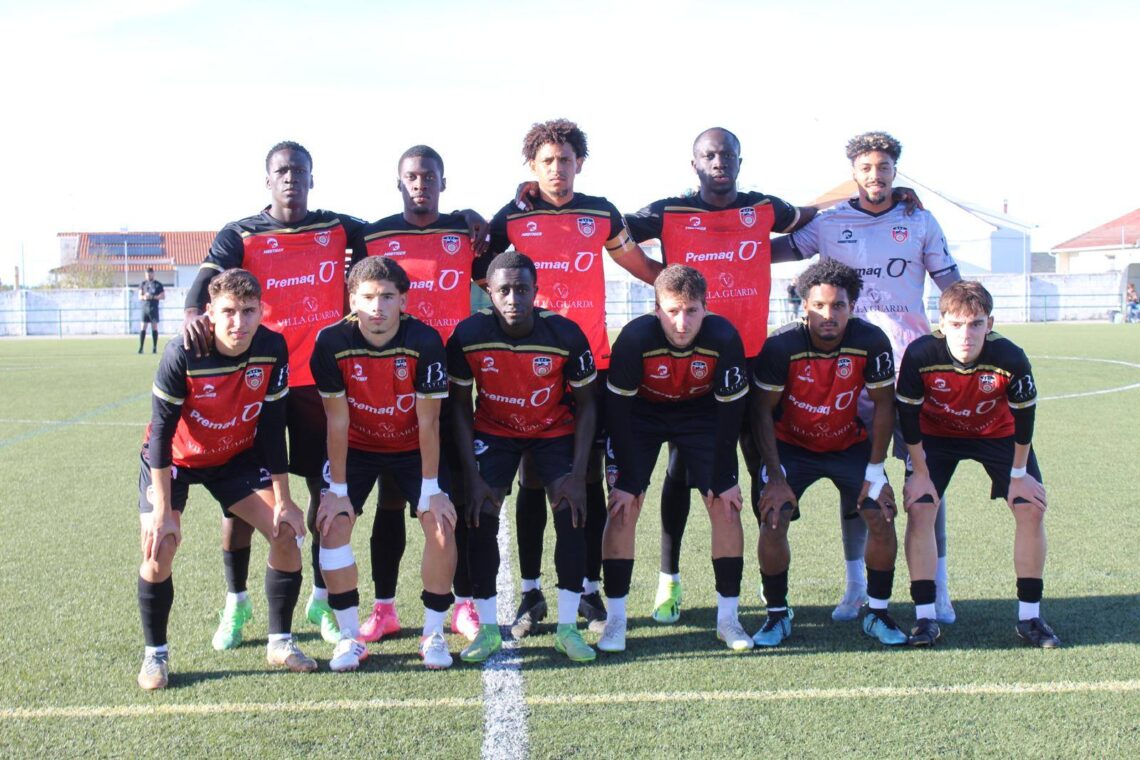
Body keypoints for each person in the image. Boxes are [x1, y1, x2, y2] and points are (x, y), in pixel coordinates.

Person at [620, 127, 814, 625]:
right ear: (695, 165)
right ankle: (669, 581)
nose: (719, 162)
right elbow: (607, 229)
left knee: (760, 471)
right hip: (692, 359)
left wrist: (873, 199)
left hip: (751, 360)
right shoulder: (668, 211)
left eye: (727, 154)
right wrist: (661, 280)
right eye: (709, 155)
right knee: (680, 473)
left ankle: (771, 594)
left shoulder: (764, 208)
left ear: (740, 161)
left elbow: (810, 217)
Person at [480, 119, 659, 639]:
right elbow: (481, 274)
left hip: (592, 368)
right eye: (547, 161)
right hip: (529, 366)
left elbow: (640, 266)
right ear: (532, 167)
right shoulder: (512, 217)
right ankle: (532, 590)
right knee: (533, 478)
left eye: (565, 159)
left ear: (580, 162)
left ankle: (587, 588)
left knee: (587, 479)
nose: (557, 169)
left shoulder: (601, 213)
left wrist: (685, 286)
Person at [773, 131, 962, 625]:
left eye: (884, 167)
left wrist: (971, 329)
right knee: (856, 479)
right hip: (851, 372)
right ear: (853, 172)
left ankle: (938, 588)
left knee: (925, 480)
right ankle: (856, 586)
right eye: (866, 168)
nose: (875, 175)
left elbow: (952, 287)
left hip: (912, 369)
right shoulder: (829, 223)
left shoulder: (919, 220)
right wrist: (721, 242)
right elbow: (772, 250)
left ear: (896, 170)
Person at [183, 141, 365, 650]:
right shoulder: (240, 233)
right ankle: (236, 601)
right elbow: (203, 287)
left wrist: (467, 218)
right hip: (256, 386)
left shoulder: (338, 228)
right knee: (240, 504)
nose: (291, 178)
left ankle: (323, 600)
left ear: (312, 178)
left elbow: (400, 229)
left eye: (299, 170)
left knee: (325, 493)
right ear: (268, 180)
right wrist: (193, 320)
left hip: (317, 387)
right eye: (282, 171)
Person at [136, 269, 313, 690]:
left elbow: (273, 427)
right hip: (177, 459)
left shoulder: (272, 347)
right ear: (210, 313)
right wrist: (161, 511)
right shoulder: (183, 352)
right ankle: (155, 656)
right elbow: (160, 435)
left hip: (234, 455)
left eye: (248, 311)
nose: (239, 322)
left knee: (285, 532)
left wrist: (285, 499)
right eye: (229, 312)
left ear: (261, 311)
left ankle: (280, 642)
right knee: (161, 544)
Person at [347, 145, 481, 643]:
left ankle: (462, 604)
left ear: (443, 181)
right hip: (393, 380)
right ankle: (385, 608)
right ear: (398, 182)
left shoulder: (466, 232)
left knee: (453, 498)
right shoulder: (372, 235)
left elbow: (502, 273)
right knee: (390, 500)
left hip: (455, 380)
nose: (420, 183)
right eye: (411, 176)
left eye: (428, 176)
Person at [448, 251, 599, 663]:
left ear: (536, 291)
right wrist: (471, 475)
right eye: (504, 290)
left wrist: (579, 474)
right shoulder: (468, 335)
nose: (513, 298)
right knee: (478, 515)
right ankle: (488, 630)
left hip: (552, 430)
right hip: (495, 431)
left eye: (521, 289)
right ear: (489, 292)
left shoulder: (565, 334)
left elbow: (588, 405)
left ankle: (567, 629)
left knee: (571, 513)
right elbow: (459, 406)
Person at [749, 259, 907, 648]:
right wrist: (775, 476)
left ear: (852, 306)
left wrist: (875, 469)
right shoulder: (781, 345)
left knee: (881, 513)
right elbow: (761, 412)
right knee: (774, 516)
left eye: (838, 305)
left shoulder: (870, 341)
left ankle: (877, 612)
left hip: (847, 444)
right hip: (791, 447)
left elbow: (884, 405)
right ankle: (777, 615)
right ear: (804, 305)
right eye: (819, 305)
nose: (828, 314)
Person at [310, 256, 457, 670]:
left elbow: (429, 422)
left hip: (412, 446)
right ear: (352, 300)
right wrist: (338, 492)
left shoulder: (426, 341)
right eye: (369, 297)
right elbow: (336, 421)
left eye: (388, 297)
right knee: (332, 524)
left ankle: (433, 634)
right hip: (356, 446)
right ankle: (349, 637)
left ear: (403, 301)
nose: (378, 307)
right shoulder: (331, 342)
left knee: (441, 525)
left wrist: (432, 490)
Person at [897, 280, 1060, 648]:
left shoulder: (1010, 357)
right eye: (956, 324)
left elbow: (1025, 420)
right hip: (936, 436)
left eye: (975, 324)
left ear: (990, 324)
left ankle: (1030, 617)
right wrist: (919, 472)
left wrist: (1019, 475)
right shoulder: (920, 354)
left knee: (1030, 508)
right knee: (920, 508)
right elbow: (907, 418)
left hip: (996, 434)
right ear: (941, 324)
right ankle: (925, 618)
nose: (966, 334)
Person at [598, 265, 751, 653]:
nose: (682, 323)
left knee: (726, 505)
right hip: (640, 416)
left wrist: (725, 477)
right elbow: (617, 413)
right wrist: (627, 481)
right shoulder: (635, 339)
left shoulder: (724, 337)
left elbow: (730, 414)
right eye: (672, 311)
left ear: (706, 308)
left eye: (691, 311)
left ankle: (728, 619)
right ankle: (615, 621)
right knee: (623, 506)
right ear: (656, 309)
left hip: (700, 415)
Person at [138, 267, 165, 354]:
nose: (148, 276)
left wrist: (152, 297)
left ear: (153, 274)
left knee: (154, 327)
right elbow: (139, 296)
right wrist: (144, 297)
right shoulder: (143, 284)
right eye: (147, 274)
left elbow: (163, 296)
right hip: (144, 308)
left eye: (150, 274)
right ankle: (141, 347)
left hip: (153, 308)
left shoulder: (158, 284)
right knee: (143, 327)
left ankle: (154, 347)